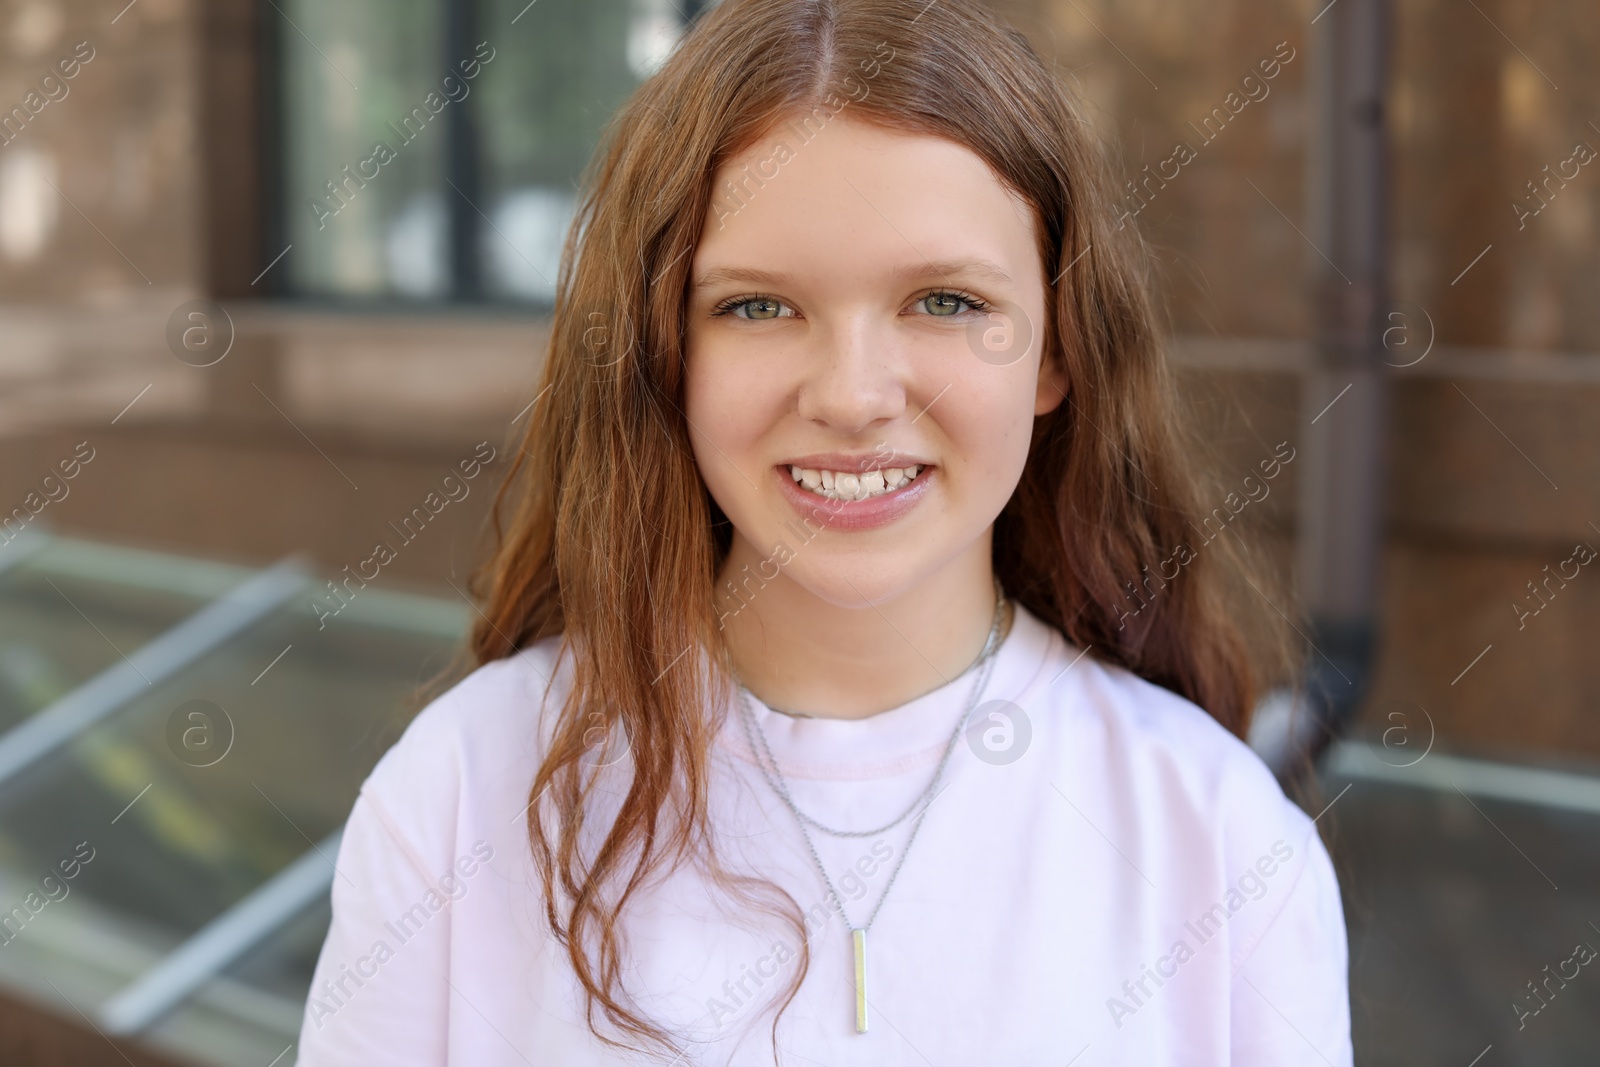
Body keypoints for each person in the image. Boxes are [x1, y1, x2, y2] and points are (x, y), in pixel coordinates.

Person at [295, 0, 1352, 1063]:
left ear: (1053, 352)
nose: (852, 395)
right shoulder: (462, 793)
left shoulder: (1219, 839)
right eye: (757, 307)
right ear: (662, 354)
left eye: (942, 300)